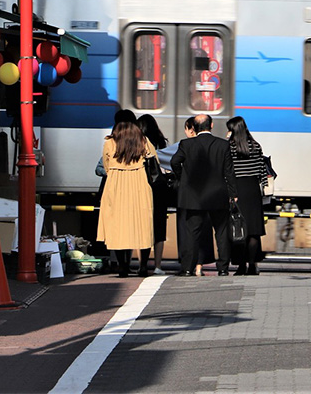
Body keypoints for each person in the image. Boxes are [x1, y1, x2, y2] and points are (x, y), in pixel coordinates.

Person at [171, 114, 238, 276]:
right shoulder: (223, 145)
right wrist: (233, 193)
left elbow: (174, 162)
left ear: (193, 128)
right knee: (221, 232)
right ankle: (223, 268)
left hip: (193, 196)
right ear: (212, 125)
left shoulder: (186, 144)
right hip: (217, 194)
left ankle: (188, 268)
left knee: (192, 232)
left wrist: (183, 177)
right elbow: (229, 172)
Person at [97, 117, 157, 277]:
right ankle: (143, 266)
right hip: (140, 185)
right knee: (142, 226)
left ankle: (123, 266)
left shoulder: (109, 143)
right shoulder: (144, 141)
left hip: (115, 186)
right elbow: (154, 161)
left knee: (117, 226)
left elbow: (106, 165)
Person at [226, 116, 267, 275]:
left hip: (237, 190)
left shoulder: (229, 148)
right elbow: (262, 171)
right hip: (253, 190)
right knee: (254, 230)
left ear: (234, 130)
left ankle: (241, 265)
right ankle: (252, 265)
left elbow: (227, 171)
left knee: (238, 229)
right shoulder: (256, 146)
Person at [137, 113, 171, 276]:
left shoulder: (137, 143)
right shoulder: (161, 142)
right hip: (159, 189)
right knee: (159, 228)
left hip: (141, 188)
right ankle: (158, 265)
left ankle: (142, 264)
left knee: (143, 227)